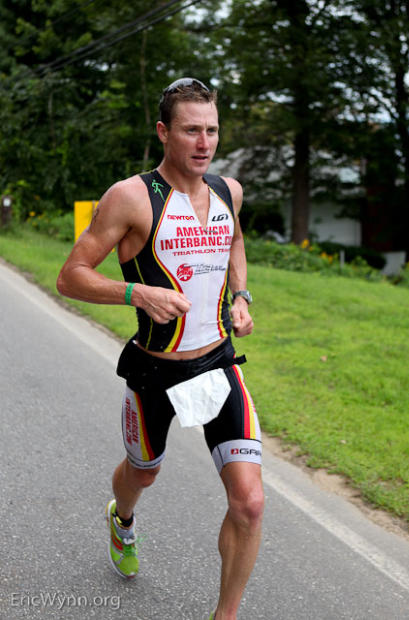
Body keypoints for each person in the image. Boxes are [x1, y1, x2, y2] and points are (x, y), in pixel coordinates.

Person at [57, 77, 264, 620]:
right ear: (163, 132)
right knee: (143, 471)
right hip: (155, 371)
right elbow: (70, 276)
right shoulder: (130, 197)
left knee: (249, 503)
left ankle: (225, 615)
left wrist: (241, 295)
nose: (204, 142)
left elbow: (235, 241)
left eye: (212, 130)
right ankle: (122, 519)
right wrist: (137, 293)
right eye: (191, 130)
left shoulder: (229, 191)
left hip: (219, 363)